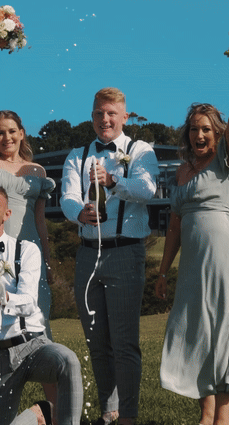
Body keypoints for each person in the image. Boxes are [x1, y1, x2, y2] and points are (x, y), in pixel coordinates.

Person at [155, 65, 229, 425]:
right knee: (195, 325)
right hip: (192, 260)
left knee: (225, 322)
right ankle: (206, 411)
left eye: (206, 129)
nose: (200, 134)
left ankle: (223, 414)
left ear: (216, 133)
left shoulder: (227, 162)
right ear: (187, 135)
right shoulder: (181, 172)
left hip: (225, 252)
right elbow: (173, 226)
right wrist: (162, 272)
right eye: (194, 129)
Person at [60, 88, 159, 425]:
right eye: (99, 113)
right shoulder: (78, 154)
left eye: (111, 114)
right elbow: (67, 197)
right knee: (96, 341)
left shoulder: (141, 151)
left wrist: (114, 180)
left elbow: (147, 190)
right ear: (92, 117)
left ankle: (128, 416)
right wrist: (79, 214)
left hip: (125, 252)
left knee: (125, 342)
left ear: (124, 117)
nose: (105, 120)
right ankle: (109, 411)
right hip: (87, 255)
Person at [0, 183, 83, 425]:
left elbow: (31, 303)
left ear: (6, 214)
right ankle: (37, 415)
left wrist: (6, 298)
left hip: (33, 345)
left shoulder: (27, 250)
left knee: (67, 361)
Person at [0, 48, 58, 419]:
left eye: (11, 132)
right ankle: (0, 409)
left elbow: (40, 218)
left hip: (31, 254)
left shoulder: (38, 171)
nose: (5, 137)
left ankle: (56, 409)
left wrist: (50, 259)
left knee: (40, 328)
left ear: (21, 133)